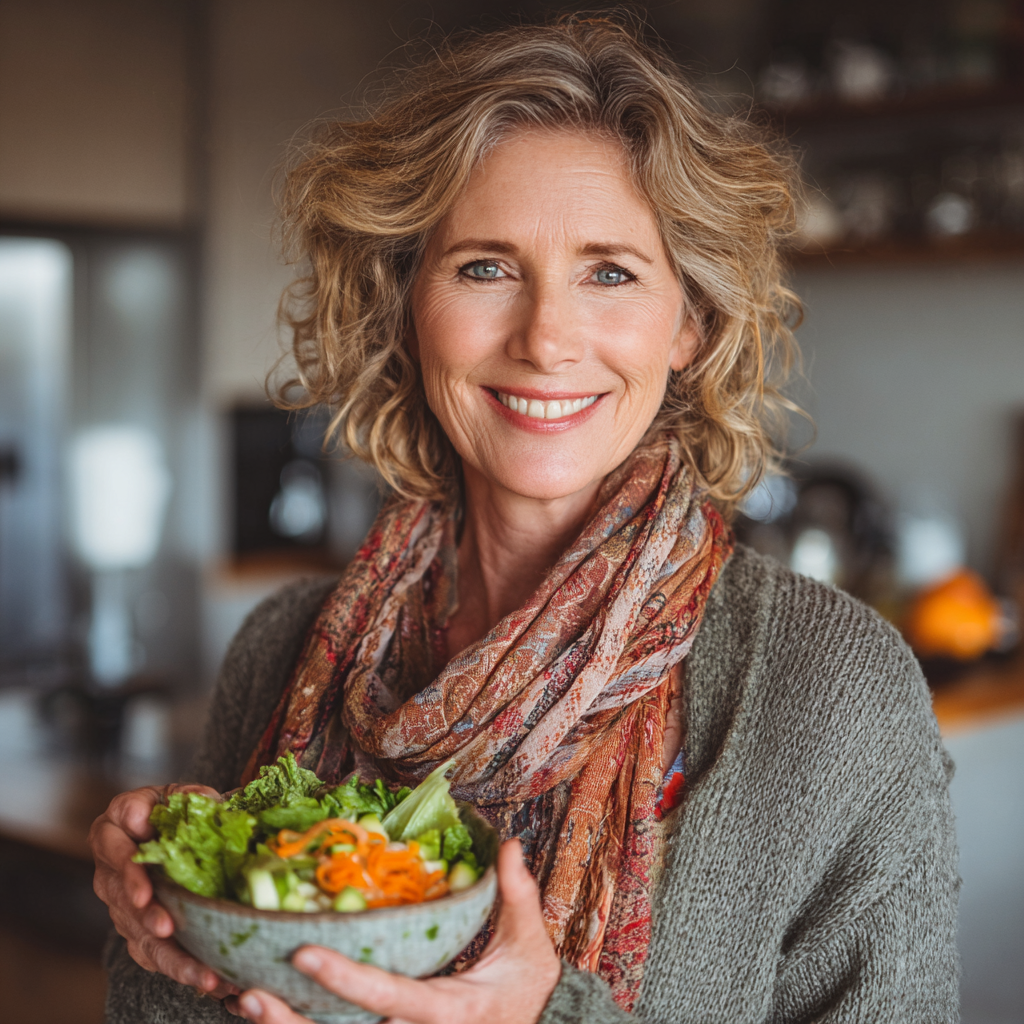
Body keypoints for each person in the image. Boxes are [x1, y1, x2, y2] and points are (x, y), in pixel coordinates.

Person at [91, 17, 959, 1024]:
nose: (546, 338)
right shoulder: (277, 649)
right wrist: (164, 928)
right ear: (405, 306)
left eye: (609, 272)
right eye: (484, 267)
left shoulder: (835, 690)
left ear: (689, 322)